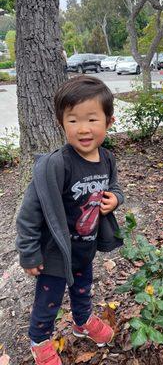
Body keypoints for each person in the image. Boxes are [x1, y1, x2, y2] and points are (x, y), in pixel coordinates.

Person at [16, 75, 124, 365]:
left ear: (109, 122)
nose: (83, 129)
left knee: (82, 289)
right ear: (61, 124)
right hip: (54, 252)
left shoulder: (107, 159)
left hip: (84, 248)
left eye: (92, 119)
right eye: (73, 120)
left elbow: (114, 187)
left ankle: (81, 322)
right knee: (48, 301)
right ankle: (39, 340)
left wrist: (115, 199)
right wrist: (29, 253)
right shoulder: (56, 165)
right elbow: (29, 213)